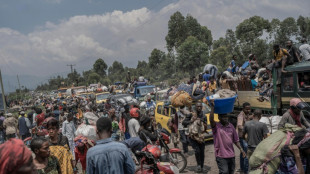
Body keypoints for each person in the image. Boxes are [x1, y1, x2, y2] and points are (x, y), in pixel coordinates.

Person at [209, 101, 246, 174]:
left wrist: (241, 150)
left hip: (231, 154)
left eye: (226, 117)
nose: (225, 119)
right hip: (221, 155)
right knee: (224, 172)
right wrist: (212, 107)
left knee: (231, 172)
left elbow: (236, 140)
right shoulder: (216, 126)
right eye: (223, 117)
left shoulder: (231, 126)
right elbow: (211, 120)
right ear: (219, 118)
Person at [182, 102, 207, 172]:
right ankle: (198, 165)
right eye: (197, 106)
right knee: (197, 151)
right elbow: (184, 123)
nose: (199, 108)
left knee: (202, 152)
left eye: (200, 106)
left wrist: (202, 122)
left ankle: (202, 166)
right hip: (193, 137)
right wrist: (191, 120)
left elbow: (205, 127)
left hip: (201, 137)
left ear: (202, 107)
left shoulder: (204, 115)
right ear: (195, 107)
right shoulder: (191, 115)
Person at [237, 102, 252, 174]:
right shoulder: (241, 115)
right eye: (247, 109)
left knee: (242, 152)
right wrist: (246, 128)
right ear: (243, 109)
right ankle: (246, 170)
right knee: (246, 152)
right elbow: (239, 126)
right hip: (242, 137)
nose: (248, 110)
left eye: (249, 109)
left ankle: (242, 168)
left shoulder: (247, 115)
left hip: (246, 137)